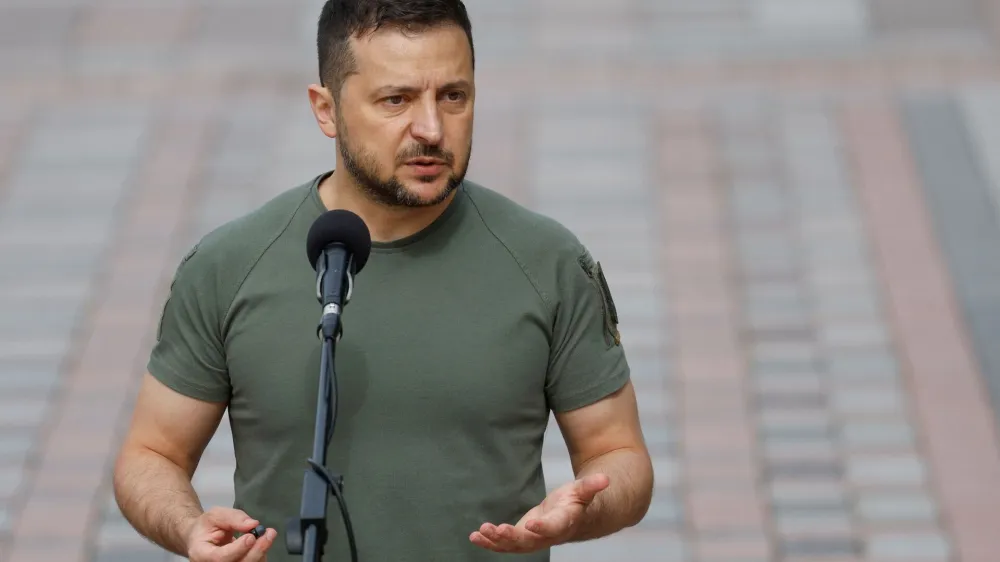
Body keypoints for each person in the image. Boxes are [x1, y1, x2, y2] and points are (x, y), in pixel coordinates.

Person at [111, 1, 654, 560]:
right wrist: (187, 527)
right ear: (326, 110)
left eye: (453, 96)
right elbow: (152, 455)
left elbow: (620, 456)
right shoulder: (229, 266)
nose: (431, 128)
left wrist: (582, 511)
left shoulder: (550, 263)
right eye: (396, 100)